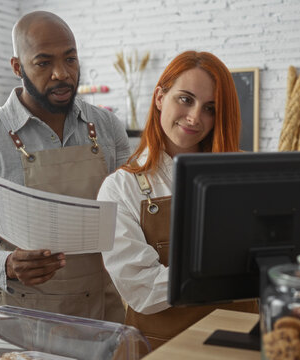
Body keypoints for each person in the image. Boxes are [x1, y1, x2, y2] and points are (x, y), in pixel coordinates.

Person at [0, 10, 130, 329]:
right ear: (17, 67)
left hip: (105, 316)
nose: (62, 73)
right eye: (44, 63)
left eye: (70, 59)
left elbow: (130, 215)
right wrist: (6, 264)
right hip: (27, 322)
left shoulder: (108, 128)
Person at [96, 50, 258, 351]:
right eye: (185, 99)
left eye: (210, 108)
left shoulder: (245, 174)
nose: (196, 117)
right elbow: (141, 288)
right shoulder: (119, 189)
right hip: (160, 349)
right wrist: (233, 271)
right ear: (160, 97)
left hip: (241, 345)